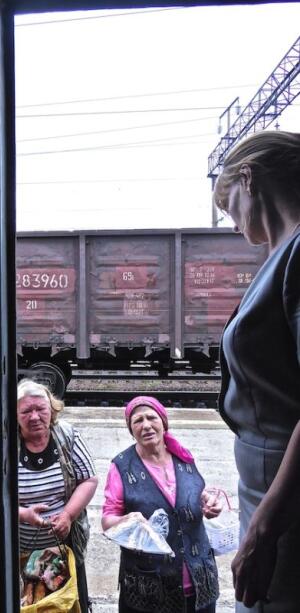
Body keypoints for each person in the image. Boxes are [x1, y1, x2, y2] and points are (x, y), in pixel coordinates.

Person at [213, 130, 300, 612]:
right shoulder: (283, 254)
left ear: (248, 179)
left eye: (228, 206)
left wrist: (264, 531)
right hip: (269, 494)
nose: (231, 225)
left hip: (284, 509)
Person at [102, 395, 222, 613]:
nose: (146, 425)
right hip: (149, 590)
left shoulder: (183, 457)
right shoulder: (121, 466)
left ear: (163, 422)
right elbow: (108, 520)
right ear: (131, 429)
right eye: (138, 421)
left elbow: (193, 493)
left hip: (199, 581)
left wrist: (208, 502)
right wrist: (127, 519)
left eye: (151, 418)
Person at [17, 379, 98, 612]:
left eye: (40, 409)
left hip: (65, 546)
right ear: (15, 414)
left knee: (70, 601)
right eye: (26, 411)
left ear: (51, 410)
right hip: (20, 550)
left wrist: (68, 515)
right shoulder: (5, 441)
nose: (34, 417)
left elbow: (89, 479)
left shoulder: (66, 435)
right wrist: (23, 514)